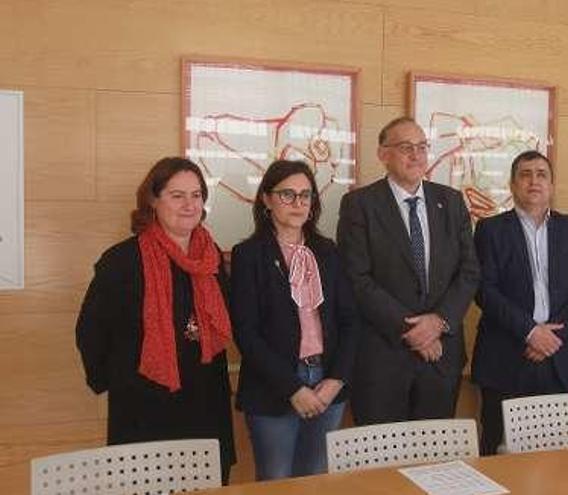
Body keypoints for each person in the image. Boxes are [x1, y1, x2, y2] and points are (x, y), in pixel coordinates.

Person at [75, 157, 236, 482]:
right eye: (177, 195)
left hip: (205, 403)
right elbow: (90, 332)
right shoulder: (122, 260)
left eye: (196, 195)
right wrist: (118, 379)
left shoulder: (211, 255)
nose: (189, 204)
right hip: (144, 409)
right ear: (153, 199)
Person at [337, 117, 480, 424]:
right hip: (383, 359)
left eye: (421, 147)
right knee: (380, 460)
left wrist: (439, 322)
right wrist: (415, 331)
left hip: (442, 357)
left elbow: (469, 272)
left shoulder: (451, 202)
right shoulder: (359, 204)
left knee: (434, 459)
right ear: (383, 154)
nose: (416, 155)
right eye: (405, 147)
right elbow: (357, 278)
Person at [230, 160, 359, 479]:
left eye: (305, 195)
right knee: (276, 480)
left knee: (316, 478)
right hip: (274, 387)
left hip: (327, 381)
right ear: (266, 199)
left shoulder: (328, 251)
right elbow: (246, 333)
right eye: (287, 194)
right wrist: (293, 388)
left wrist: (336, 380)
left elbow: (351, 321)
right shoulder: (249, 255)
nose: (298, 203)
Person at [471, 150, 568, 455]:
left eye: (541, 174)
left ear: (552, 185)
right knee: (496, 447)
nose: (533, 181)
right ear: (513, 185)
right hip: (506, 354)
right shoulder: (490, 230)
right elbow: (484, 290)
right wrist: (531, 332)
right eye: (525, 175)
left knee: (554, 450)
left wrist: (553, 337)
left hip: (559, 355)